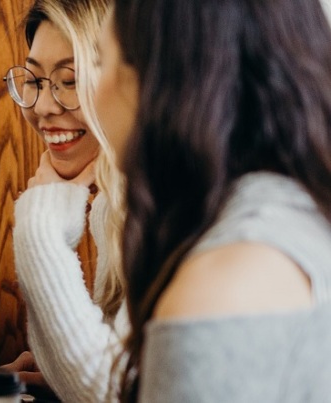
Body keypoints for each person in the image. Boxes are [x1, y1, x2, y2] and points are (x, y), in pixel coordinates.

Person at [95, 0, 331, 401]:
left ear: (156, 81)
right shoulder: (299, 213)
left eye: (100, 61)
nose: (91, 92)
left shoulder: (224, 286)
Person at [0, 0, 129, 401]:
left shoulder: (169, 202)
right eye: (35, 80)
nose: (42, 107)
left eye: (69, 81)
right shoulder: (115, 204)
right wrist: (59, 373)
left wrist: (41, 233)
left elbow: (114, 393)